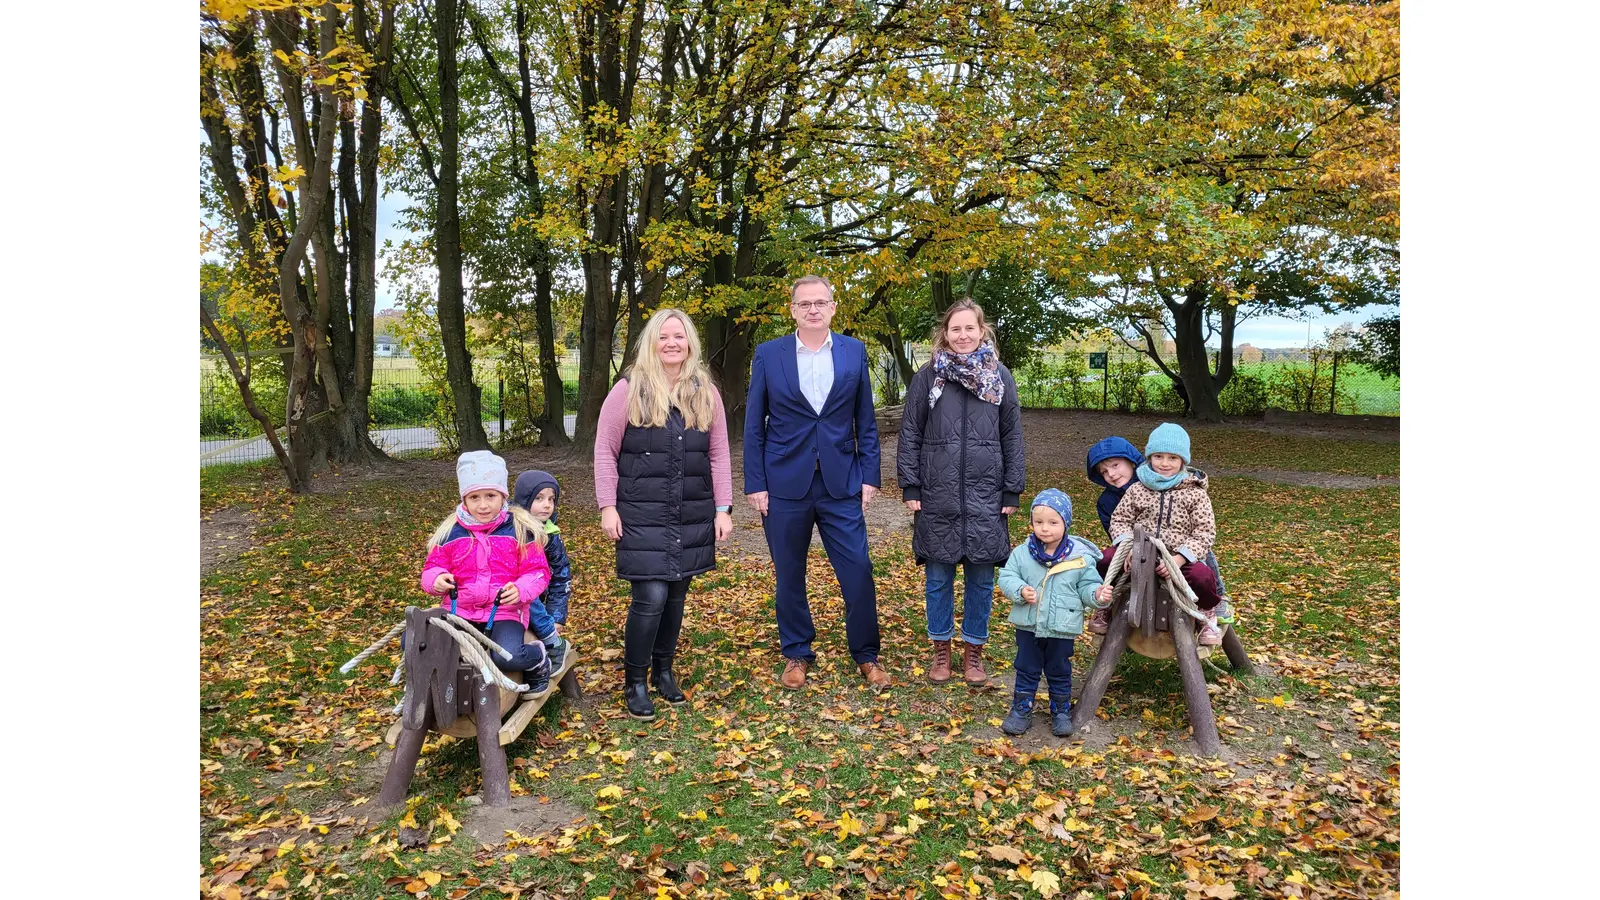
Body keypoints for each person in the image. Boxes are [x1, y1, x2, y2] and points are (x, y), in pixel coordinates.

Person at [744, 274, 889, 691]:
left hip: (841, 481)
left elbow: (866, 420)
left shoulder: (852, 351)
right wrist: (756, 482)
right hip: (784, 482)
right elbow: (754, 425)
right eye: (804, 303)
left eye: (820, 303)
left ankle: (866, 654)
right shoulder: (769, 355)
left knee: (858, 570)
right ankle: (796, 652)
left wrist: (870, 476)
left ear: (832, 308)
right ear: (792, 309)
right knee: (790, 573)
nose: (812, 309)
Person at [594, 308, 734, 721]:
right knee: (651, 595)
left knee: (675, 595)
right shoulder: (628, 390)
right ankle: (634, 681)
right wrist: (607, 505)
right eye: (663, 336)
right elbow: (605, 450)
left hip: (689, 510)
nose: (672, 343)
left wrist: (723, 508)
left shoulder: (705, 392)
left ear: (690, 343)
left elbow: (719, 452)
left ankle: (663, 671)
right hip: (641, 512)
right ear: (651, 342)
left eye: (680, 336)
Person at [897, 299, 1024, 688]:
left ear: (982, 331)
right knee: (937, 577)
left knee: (981, 580)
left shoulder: (999, 376)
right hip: (938, 492)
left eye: (970, 328)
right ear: (945, 333)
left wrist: (1012, 490)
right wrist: (911, 483)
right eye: (956, 329)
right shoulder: (927, 377)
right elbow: (911, 432)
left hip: (987, 493)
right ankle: (941, 650)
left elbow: (1012, 435)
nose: (963, 335)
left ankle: (974, 652)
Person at [420, 451, 554, 692]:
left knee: (507, 657)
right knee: (415, 641)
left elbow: (538, 572)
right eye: (474, 497)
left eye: (490, 496)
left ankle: (538, 658)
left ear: (502, 495)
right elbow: (432, 566)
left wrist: (521, 589)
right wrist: (436, 579)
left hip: (504, 612)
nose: (482, 505)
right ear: (465, 499)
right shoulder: (451, 532)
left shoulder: (520, 529)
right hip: (458, 611)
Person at [1099, 423, 1224, 645]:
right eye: (1158, 457)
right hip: (1141, 552)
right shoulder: (1138, 488)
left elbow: (1204, 532)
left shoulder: (1194, 493)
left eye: (1172, 458)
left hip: (1177, 556)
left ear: (1182, 461)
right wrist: (1128, 548)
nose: (1164, 464)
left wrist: (1179, 559)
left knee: (1202, 577)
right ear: (1149, 457)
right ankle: (1107, 604)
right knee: (1104, 560)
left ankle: (1207, 611)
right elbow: (1120, 519)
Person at [996, 489, 1105, 738]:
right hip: (1029, 625)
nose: (1045, 528)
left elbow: (1087, 586)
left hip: (1062, 626)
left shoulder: (1080, 559)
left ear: (1066, 523)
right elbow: (1007, 577)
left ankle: (1061, 711)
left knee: (1059, 668)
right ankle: (1021, 710)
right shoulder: (1023, 554)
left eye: (1053, 522)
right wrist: (1020, 590)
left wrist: (1097, 595)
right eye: (1039, 522)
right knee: (1026, 667)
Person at [512, 470, 573, 669]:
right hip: (506, 594)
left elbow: (561, 577)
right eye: (539, 498)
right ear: (524, 499)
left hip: (534, 599)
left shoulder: (551, 537)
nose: (547, 504)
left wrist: (555, 617)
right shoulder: (508, 528)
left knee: (528, 599)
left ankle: (553, 644)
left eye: (551, 499)